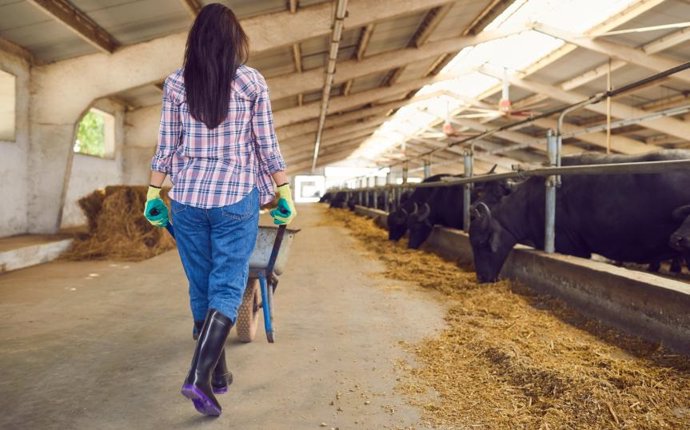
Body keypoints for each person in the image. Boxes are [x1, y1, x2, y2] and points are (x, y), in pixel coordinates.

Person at [142, 3, 296, 417]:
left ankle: (219, 376)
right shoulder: (250, 81)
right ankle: (197, 376)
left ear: (195, 39)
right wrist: (282, 190)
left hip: (187, 199)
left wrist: (154, 193)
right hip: (234, 197)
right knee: (227, 286)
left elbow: (166, 146)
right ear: (235, 40)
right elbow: (266, 144)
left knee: (201, 284)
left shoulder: (176, 83)